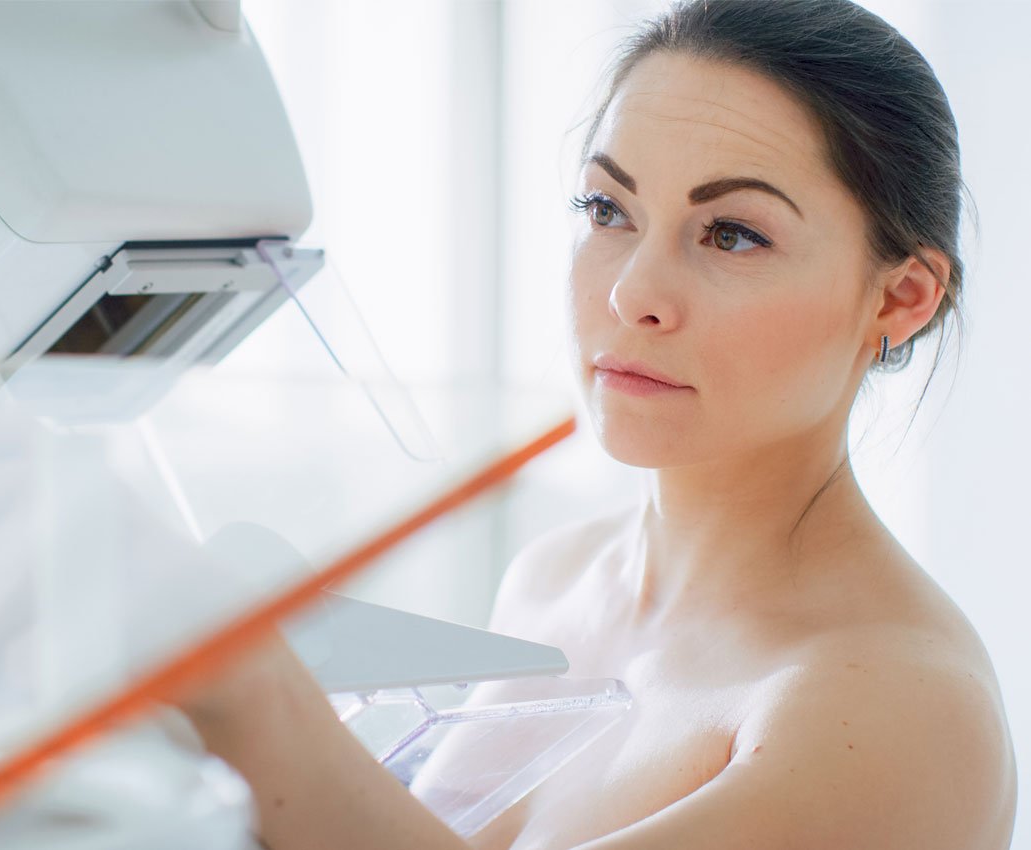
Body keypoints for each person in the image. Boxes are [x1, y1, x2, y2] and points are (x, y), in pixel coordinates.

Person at [182, 1, 1018, 847]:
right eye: (608, 210)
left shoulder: (895, 701)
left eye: (731, 234)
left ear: (900, 297)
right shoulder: (553, 579)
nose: (631, 295)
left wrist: (262, 700)